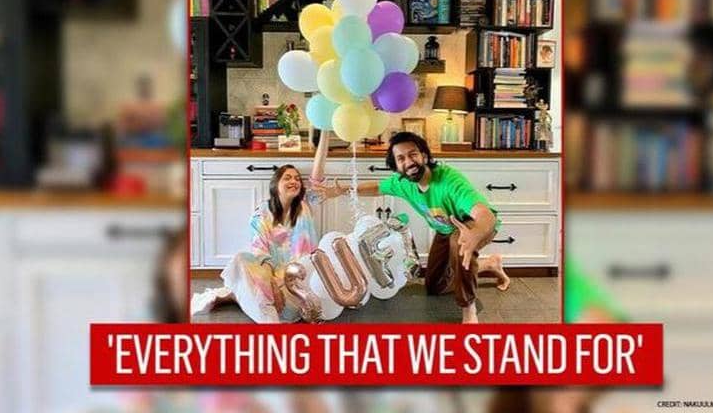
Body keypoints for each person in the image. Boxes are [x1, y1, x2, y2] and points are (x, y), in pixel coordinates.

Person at [314, 132, 507, 323]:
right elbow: (377, 188)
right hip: (445, 229)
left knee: (460, 245)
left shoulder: (449, 181)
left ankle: (468, 308)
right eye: (401, 158)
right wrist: (343, 190)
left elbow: (484, 213)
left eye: (413, 154)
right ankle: (489, 265)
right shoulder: (403, 183)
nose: (409, 162)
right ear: (397, 166)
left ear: (424, 156)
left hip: (472, 225)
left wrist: (475, 234)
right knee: (435, 287)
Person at [192, 164, 319, 323]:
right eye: (287, 178)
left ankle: (239, 295)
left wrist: (324, 145)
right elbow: (261, 254)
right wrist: (272, 284)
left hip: (300, 289)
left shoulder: (305, 207)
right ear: (275, 185)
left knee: (250, 289)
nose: (294, 181)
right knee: (241, 259)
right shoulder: (261, 215)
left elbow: (317, 180)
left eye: (297, 179)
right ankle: (267, 318)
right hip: (270, 287)